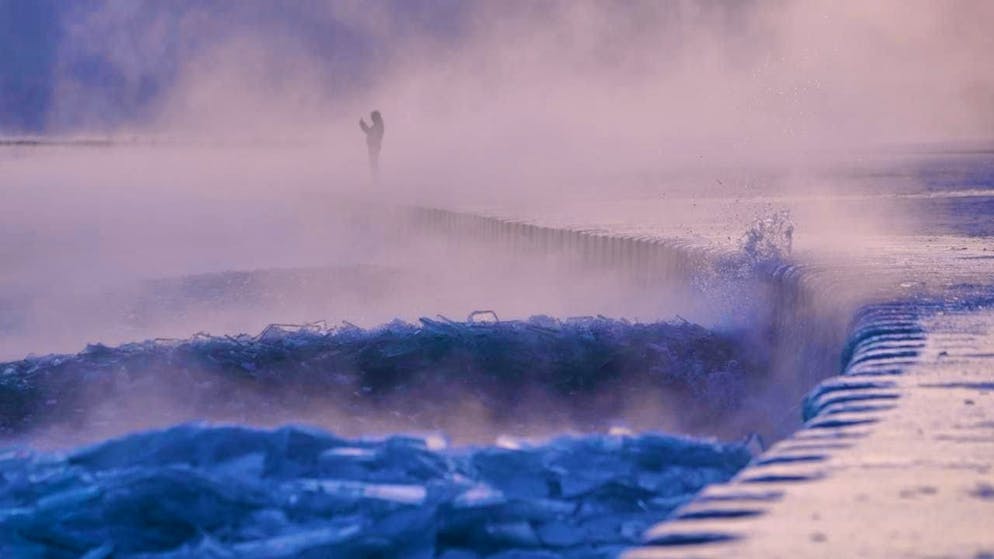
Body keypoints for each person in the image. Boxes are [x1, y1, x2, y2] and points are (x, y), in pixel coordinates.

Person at [359, 110, 384, 181]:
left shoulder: (378, 126)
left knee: (373, 164)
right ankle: (375, 179)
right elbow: (370, 132)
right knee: (374, 163)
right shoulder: (379, 125)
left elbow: (369, 132)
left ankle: (376, 180)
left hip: (374, 147)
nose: (372, 119)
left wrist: (362, 125)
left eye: (373, 117)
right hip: (374, 146)